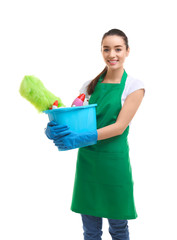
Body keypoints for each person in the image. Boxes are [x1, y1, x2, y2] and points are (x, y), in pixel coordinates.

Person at [45, 29, 145, 240]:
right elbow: (76, 122)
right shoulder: (89, 86)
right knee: (90, 232)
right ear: (101, 52)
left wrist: (81, 138)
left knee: (118, 229)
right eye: (106, 49)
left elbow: (119, 127)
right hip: (88, 163)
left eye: (118, 49)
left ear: (127, 51)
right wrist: (54, 127)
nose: (112, 54)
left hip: (114, 164)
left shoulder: (134, 87)